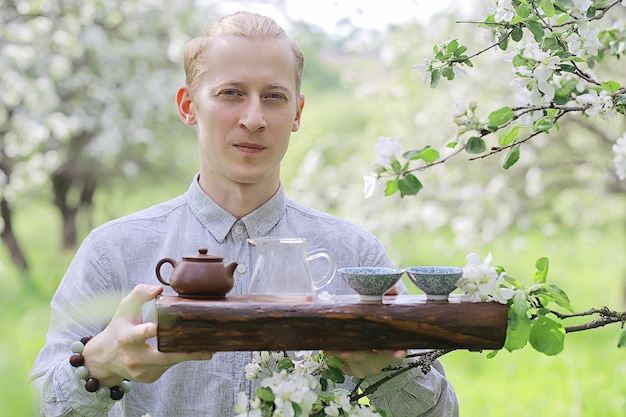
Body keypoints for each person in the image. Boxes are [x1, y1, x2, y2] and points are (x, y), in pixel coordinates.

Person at [29, 11, 459, 417]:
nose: (253, 119)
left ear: (298, 113)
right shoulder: (112, 253)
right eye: (230, 93)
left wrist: (385, 370)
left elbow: (442, 412)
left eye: (273, 97)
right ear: (188, 106)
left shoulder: (354, 255)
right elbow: (41, 403)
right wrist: (98, 367)